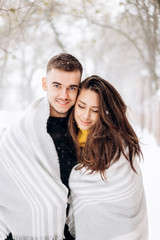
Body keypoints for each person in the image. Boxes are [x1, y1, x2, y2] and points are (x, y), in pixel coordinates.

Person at [0, 53, 83, 240]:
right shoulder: (21, 131)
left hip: (71, 232)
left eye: (72, 88)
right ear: (45, 84)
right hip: (23, 232)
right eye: (57, 86)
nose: (64, 95)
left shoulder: (84, 129)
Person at [67, 75, 148, 240]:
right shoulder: (67, 137)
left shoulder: (116, 146)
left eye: (95, 110)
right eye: (81, 106)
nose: (86, 116)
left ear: (105, 113)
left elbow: (126, 200)